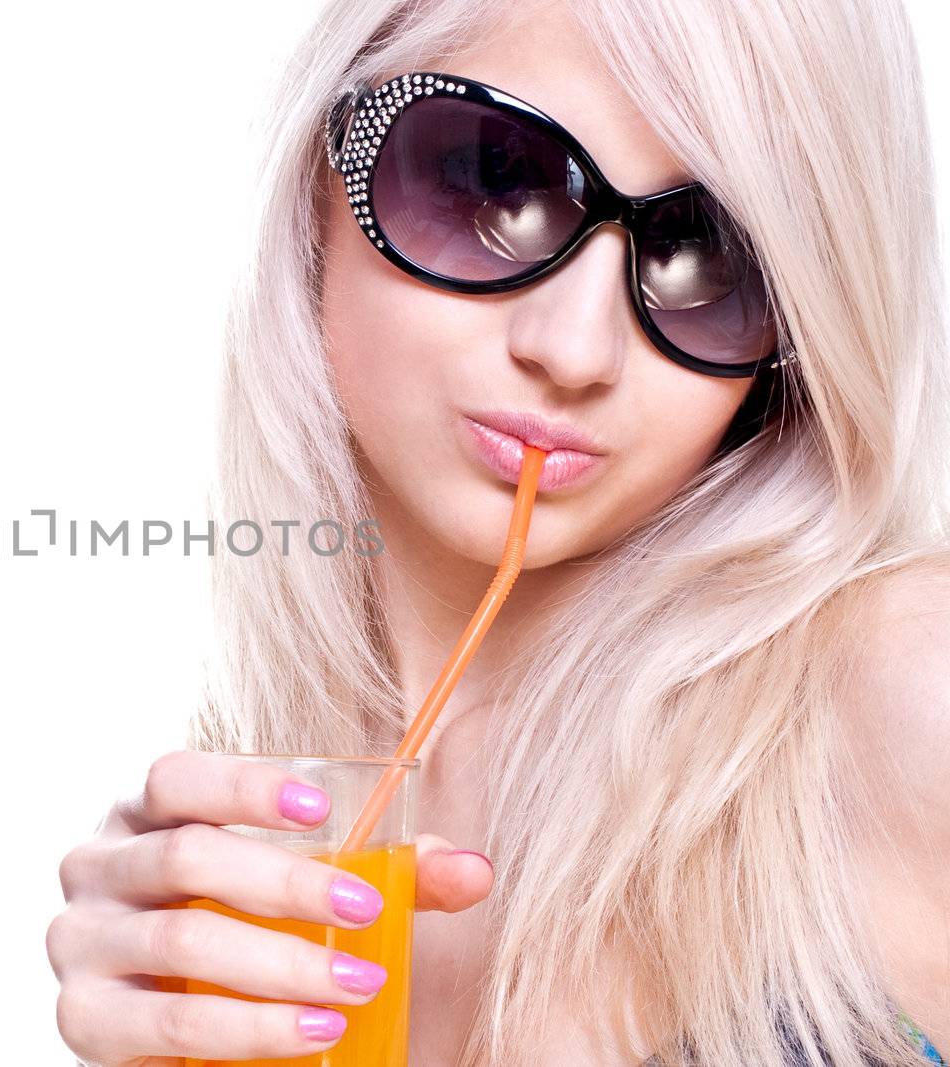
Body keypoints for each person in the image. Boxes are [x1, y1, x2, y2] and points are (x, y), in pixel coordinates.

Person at [46, 0, 950, 1062]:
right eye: (494, 182)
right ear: (319, 183)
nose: (574, 348)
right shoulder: (274, 829)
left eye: (707, 256)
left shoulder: (902, 679)